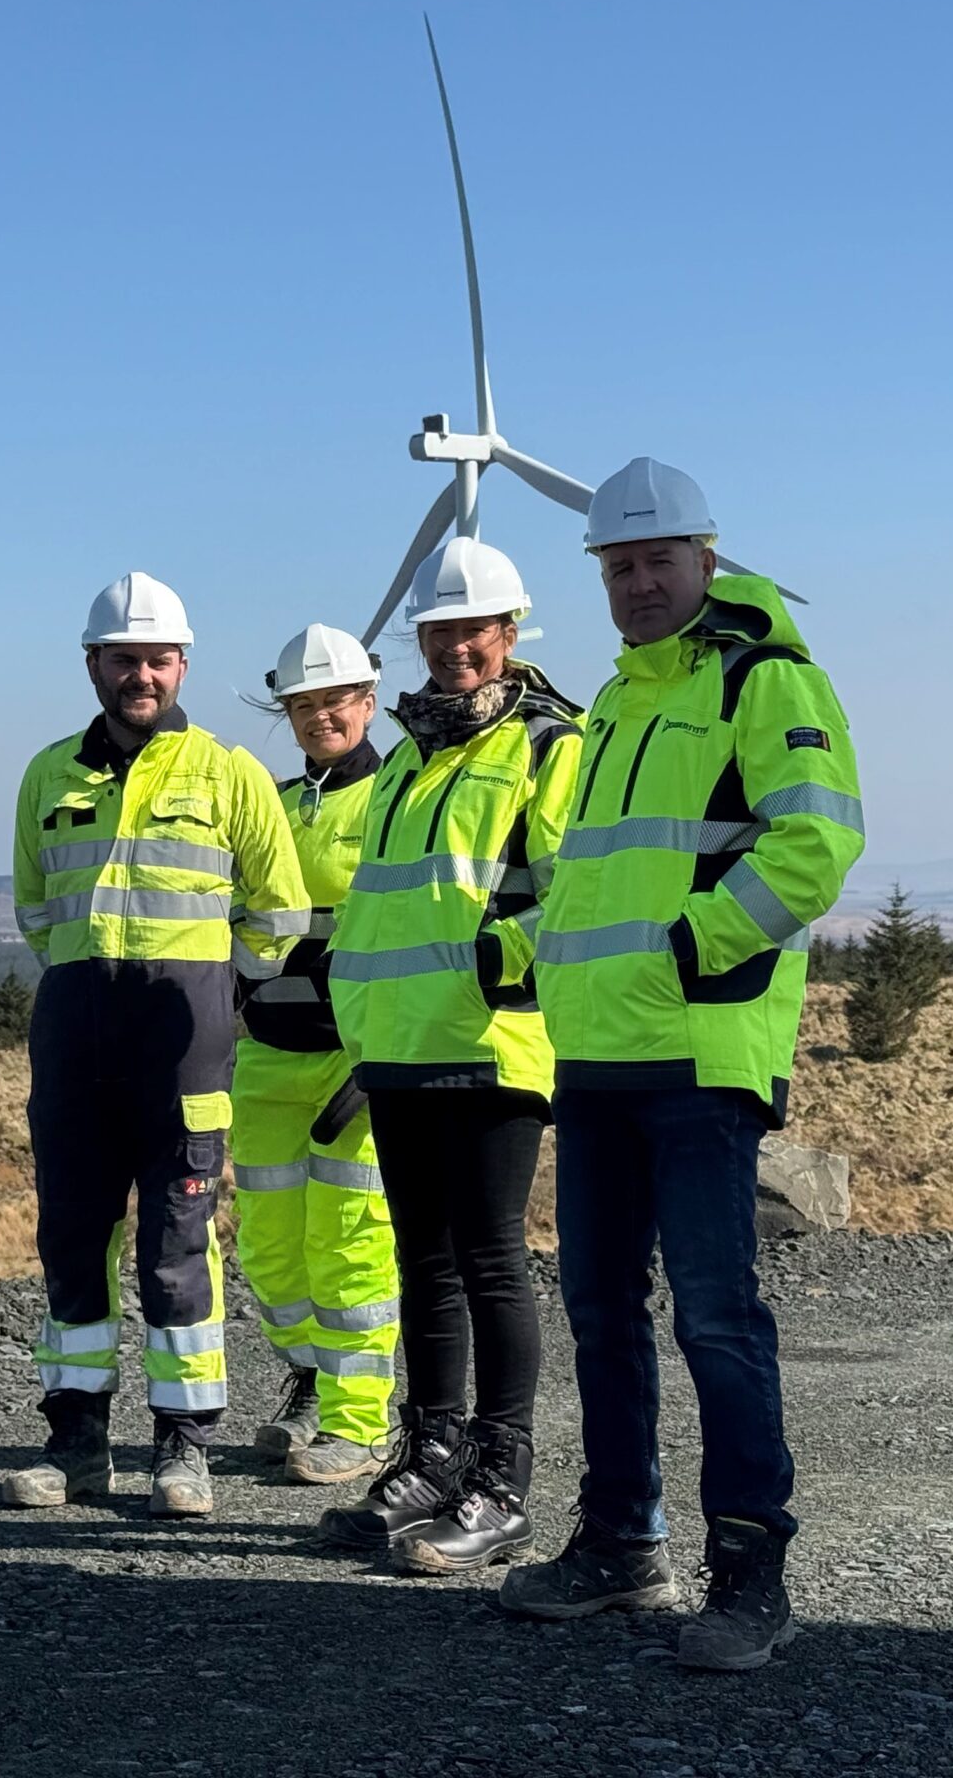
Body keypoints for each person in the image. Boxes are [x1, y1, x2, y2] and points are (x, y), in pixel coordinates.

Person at [497, 459, 864, 1672]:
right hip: (596, 1050)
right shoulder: (613, 702)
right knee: (601, 1311)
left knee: (714, 1317)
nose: (637, 582)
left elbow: (815, 846)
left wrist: (685, 951)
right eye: (616, 565)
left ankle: (750, 1576)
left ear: (707, 558)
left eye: (657, 559)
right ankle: (619, 1543)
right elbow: (593, 875)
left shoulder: (766, 680)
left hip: (700, 1053)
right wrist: (523, 952)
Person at [1, 572, 310, 1519]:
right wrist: (90, 980)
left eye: (157, 659)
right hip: (75, 1033)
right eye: (124, 658)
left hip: (184, 1043)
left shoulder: (228, 772)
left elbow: (281, 910)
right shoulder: (50, 773)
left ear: (182, 665)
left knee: (178, 1244)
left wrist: (215, 986)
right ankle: (76, 1440)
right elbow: (33, 908)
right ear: (93, 664)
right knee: (70, 1239)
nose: (142, 674)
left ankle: (184, 1449)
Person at [316, 538, 583, 1574]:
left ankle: (499, 1484)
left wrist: (492, 962)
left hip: (489, 1045)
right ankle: (428, 1457)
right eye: (437, 631)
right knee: (421, 1264)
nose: (454, 646)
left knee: (488, 1261)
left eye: (473, 629)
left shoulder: (550, 747)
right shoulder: (408, 761)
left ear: (510, 636)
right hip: (395, 1045)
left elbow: (569, 893)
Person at [232, 625, 400, 1488]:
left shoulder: (395, 798)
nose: (319, 717)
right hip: (267, 1048)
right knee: (267, 1242)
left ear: (366, 701)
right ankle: (310, 1377)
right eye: (302, 705)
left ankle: (360, 1423)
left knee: (350, 1243)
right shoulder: (276, 800)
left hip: (353, 1055)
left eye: (334, 701)